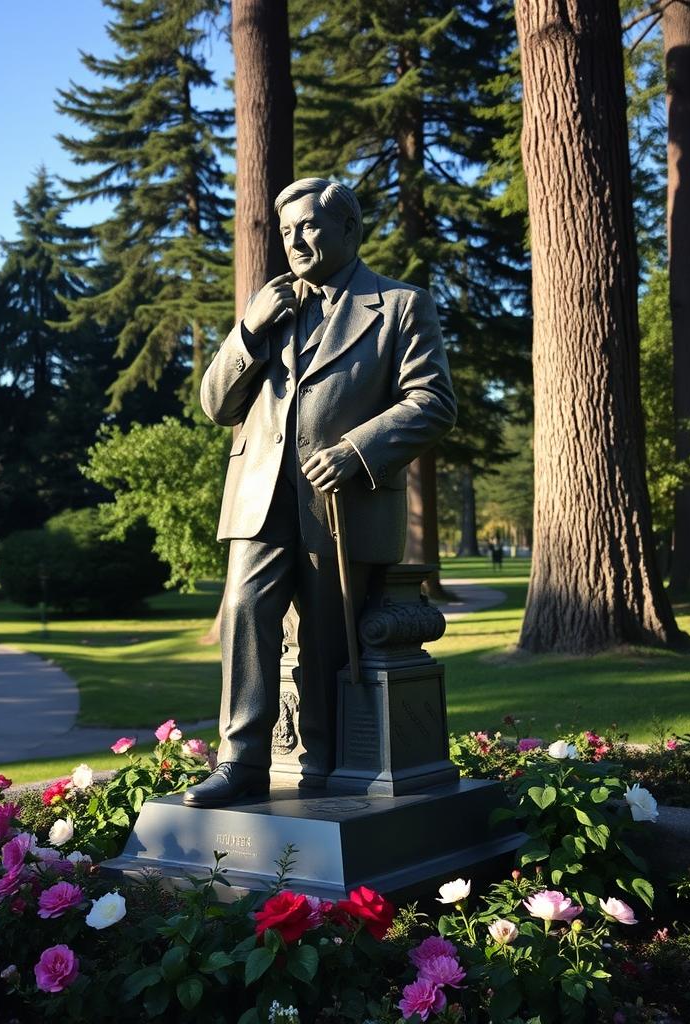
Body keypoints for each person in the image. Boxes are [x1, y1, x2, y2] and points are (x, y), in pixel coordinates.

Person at [183, 178, 456, 807]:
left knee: (327, 640)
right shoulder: (270, 308)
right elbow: (216, 403)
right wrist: (249, 329)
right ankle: (240, 762)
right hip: (258, 496)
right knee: (245, 615)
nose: (295, 240)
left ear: (348, 230)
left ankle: (328, 769)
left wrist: (358, 451)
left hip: (343, 504)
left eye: (308, 226)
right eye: (286, 231)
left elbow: (433, 402)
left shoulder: (400, 305)